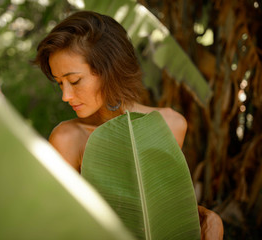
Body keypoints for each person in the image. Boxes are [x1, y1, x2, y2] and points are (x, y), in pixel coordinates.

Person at [34, 10, 223, 239]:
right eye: (60, 83)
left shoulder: (170, 125)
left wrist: (210, 219)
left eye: (74, 81)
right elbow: (58, 223)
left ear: (110, 69)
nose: (65, 95)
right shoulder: (68, 139)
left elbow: (163, 212)